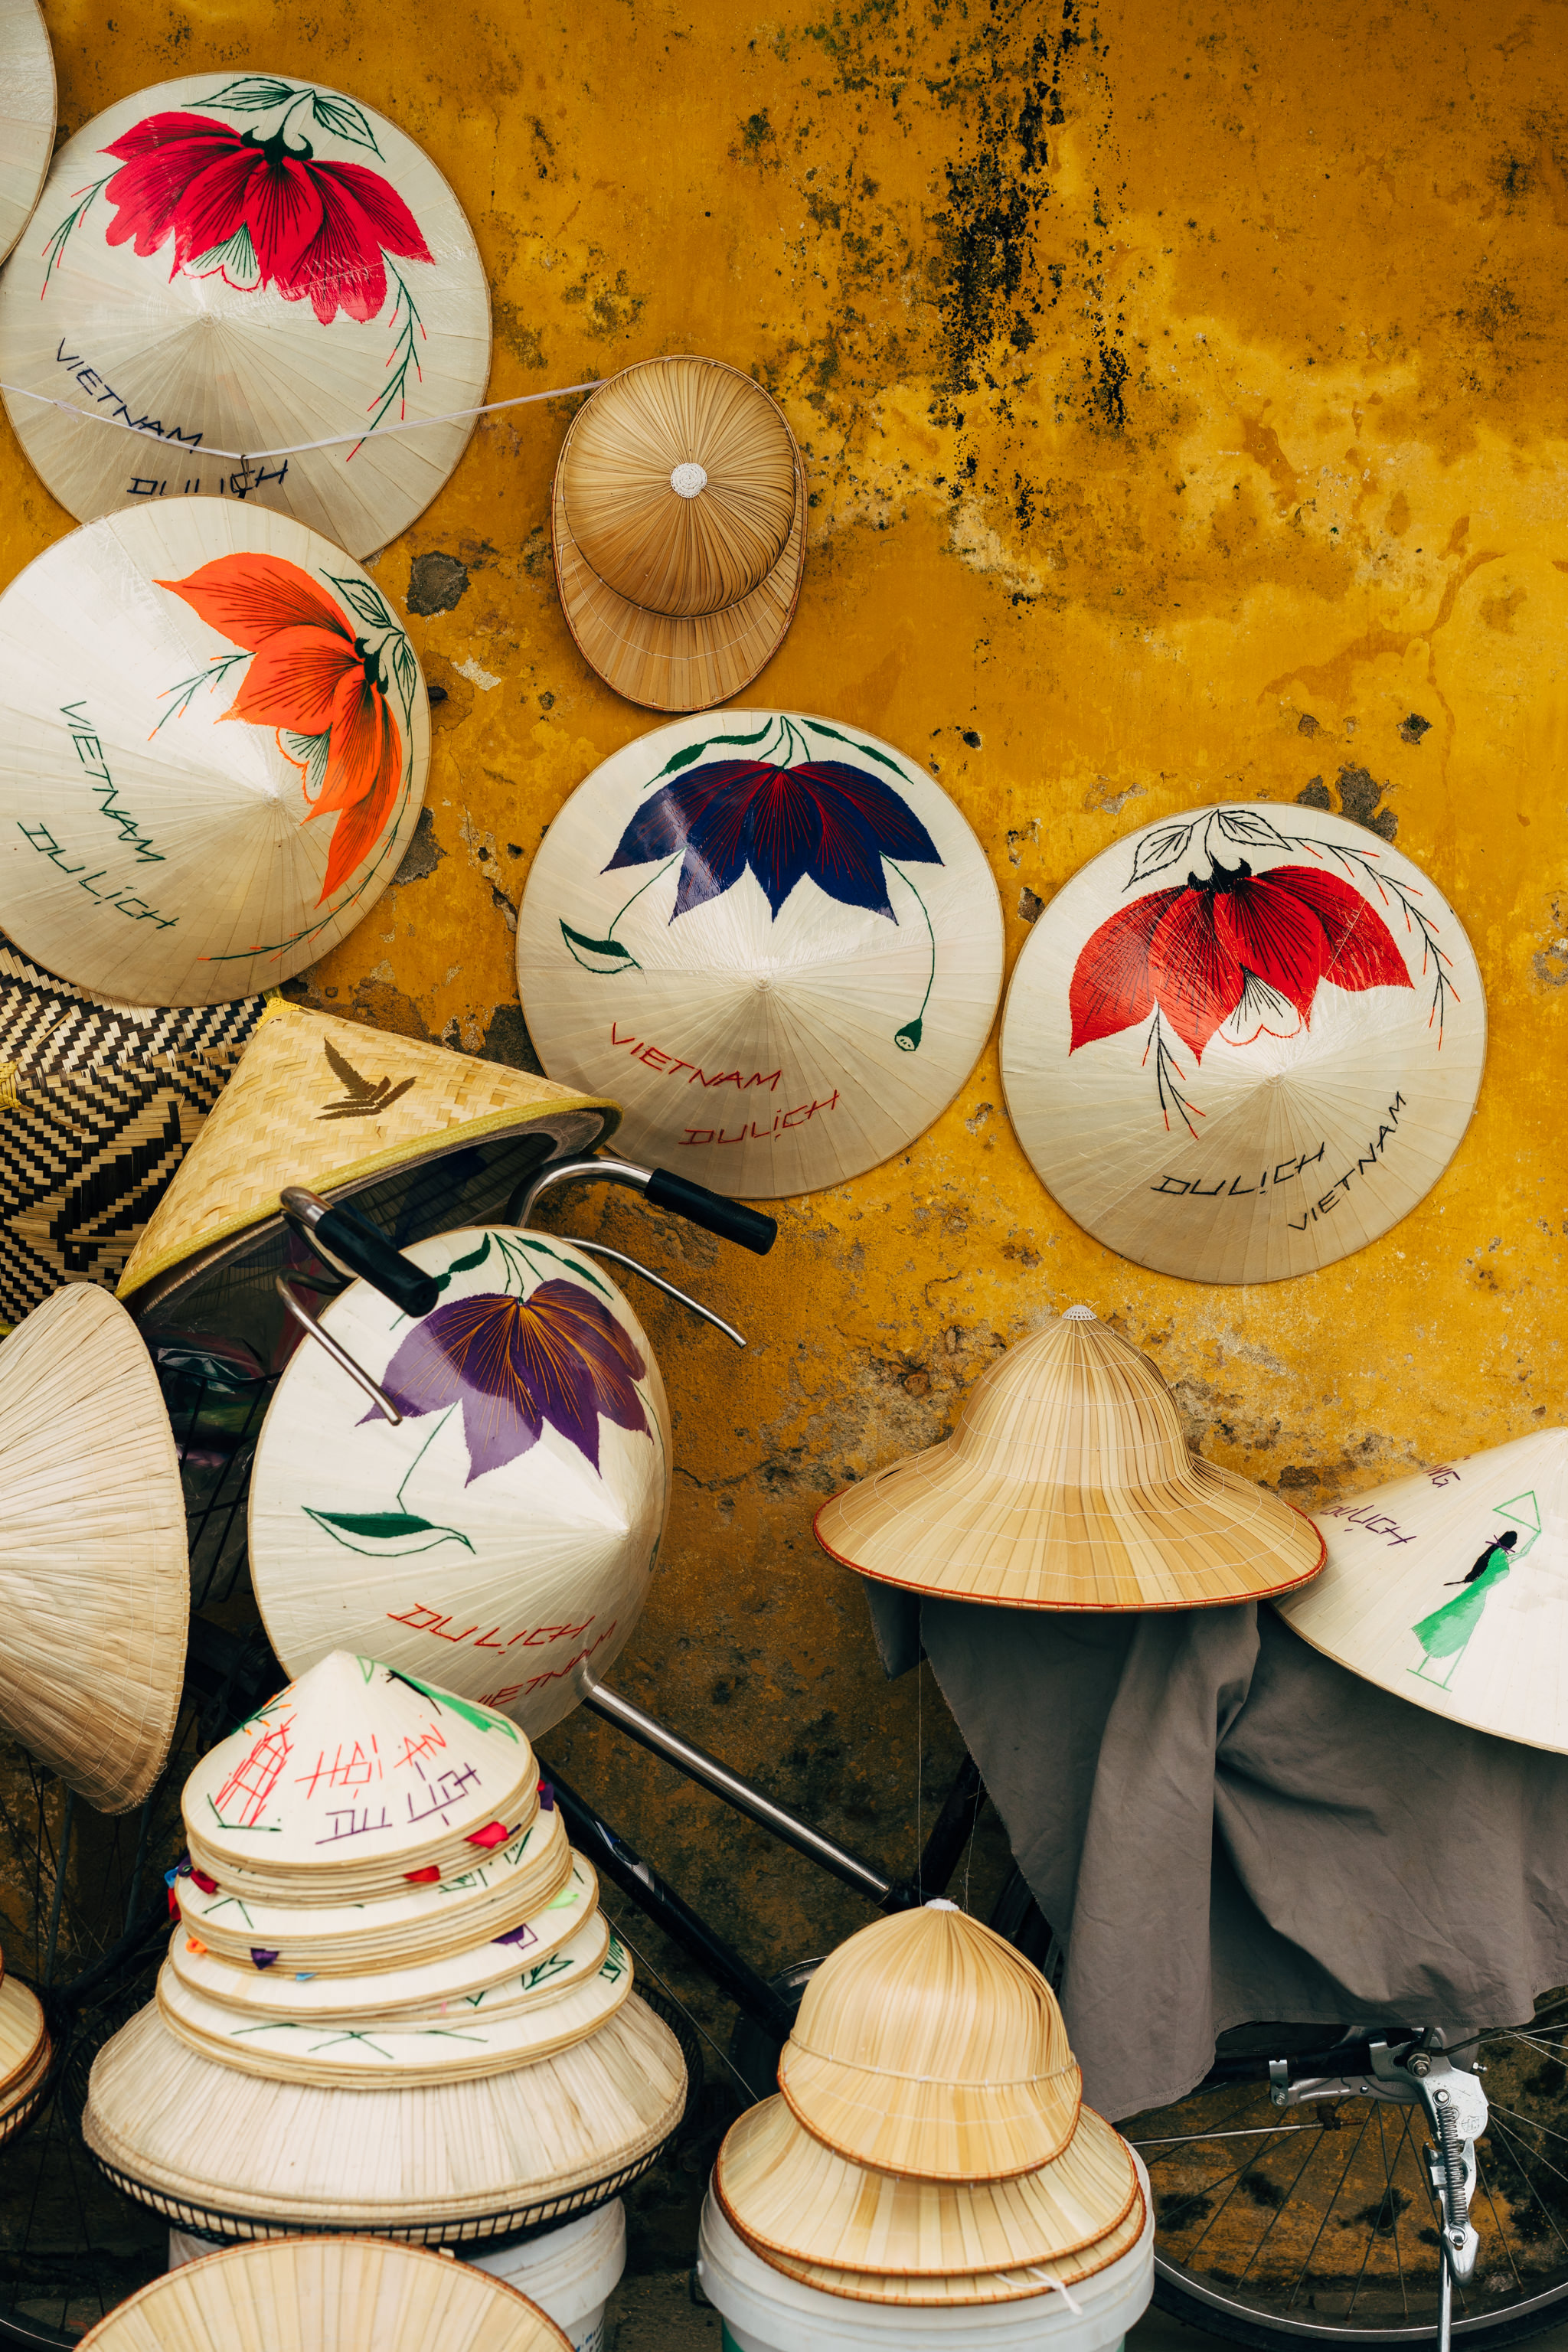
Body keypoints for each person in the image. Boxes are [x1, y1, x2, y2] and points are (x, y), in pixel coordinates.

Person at [1410, 1527, 1519, 1689]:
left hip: (1476, 1595)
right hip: (1476, 1597)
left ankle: (1429, 1659)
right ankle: (1432, 1657)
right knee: (1457, 1624)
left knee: (1455, 1622)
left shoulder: (1494, 1555)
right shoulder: (1499, 1558)